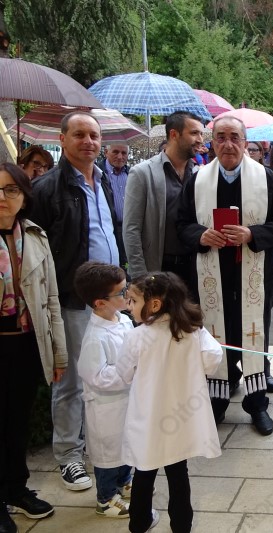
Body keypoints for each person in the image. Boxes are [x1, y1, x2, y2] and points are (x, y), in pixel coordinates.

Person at [177, 115, 273, 435]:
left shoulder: (266, 178)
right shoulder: (197, 180)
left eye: (234, 137)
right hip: (212, 277)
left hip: (253, 275)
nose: (228, 144)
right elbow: (181, 224)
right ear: (212, 142)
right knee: (216, 338)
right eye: (221, 137)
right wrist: (201, 235)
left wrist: (252, 233)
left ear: (245, 142)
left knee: (253, 337)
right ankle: (216, 402)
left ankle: (257, 405)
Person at [28, 111, 126, 492]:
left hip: (109, 300)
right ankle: (69, 454)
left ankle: (104, 450)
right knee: (70, 379)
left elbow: (108, 231)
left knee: (107, 374)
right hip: (72, 299)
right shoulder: (47, 189)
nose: (88, 141)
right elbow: (38, 249)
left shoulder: (102, 181)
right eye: (79, 134)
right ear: (62, 139)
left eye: (94, 135)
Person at [115, 272, 224, 533]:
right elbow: (212, 358)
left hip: (148, 420)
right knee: (178, 473)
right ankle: (181, 525)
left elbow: (124, 373)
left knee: (144, 472)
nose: (129, 306)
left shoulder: (137, 337)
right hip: (180, 419)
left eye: (133, 301)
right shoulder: (192, 331)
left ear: (154, 305)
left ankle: (139, 523)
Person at [0, 163, 66, 531]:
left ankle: (16, 489)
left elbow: (52, 298)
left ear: (24, 197)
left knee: (18, 421)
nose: (3, 197)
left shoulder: (36, 236)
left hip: (26, 344)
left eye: (11, 189)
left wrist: (59, 354)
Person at [73, 261, 134, 519]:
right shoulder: (95, 337)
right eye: (122, 292)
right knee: (109, 454)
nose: (128, 294)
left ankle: (125, 481)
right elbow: (95, 375)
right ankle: (106, 498)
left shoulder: (123, 320)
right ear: (100, 303)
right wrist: (130, 369)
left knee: (127, 445)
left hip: (127, 401)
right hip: (107, 407)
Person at [124, 111, 206, 287]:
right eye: (194, 133)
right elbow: (131, 229)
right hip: (158, 269)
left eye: (201, 133)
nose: (200, 140)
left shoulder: (200, 174)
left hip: (194, 269)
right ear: (174, 134)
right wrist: (140, 277)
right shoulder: (142, 173)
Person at [103, 145, 130, 220]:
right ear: (106, 152)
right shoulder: (97, 174)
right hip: (108, 225)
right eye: (115, 152)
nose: (120, 157)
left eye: (124, 153)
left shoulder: (132, 174)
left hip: (130, 225)